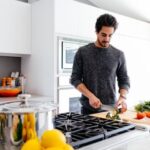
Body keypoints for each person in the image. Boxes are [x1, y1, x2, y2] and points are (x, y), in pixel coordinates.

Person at [70, 13, 130, 115]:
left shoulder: (119, 55)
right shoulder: (82, 52)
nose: (107, 39)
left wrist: (122, 97)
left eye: (110, 35)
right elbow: (75, 79)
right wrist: (90, 96)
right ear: (96, 32)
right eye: (103, 35)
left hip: (111, 110)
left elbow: (124, 79)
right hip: (88, 111)